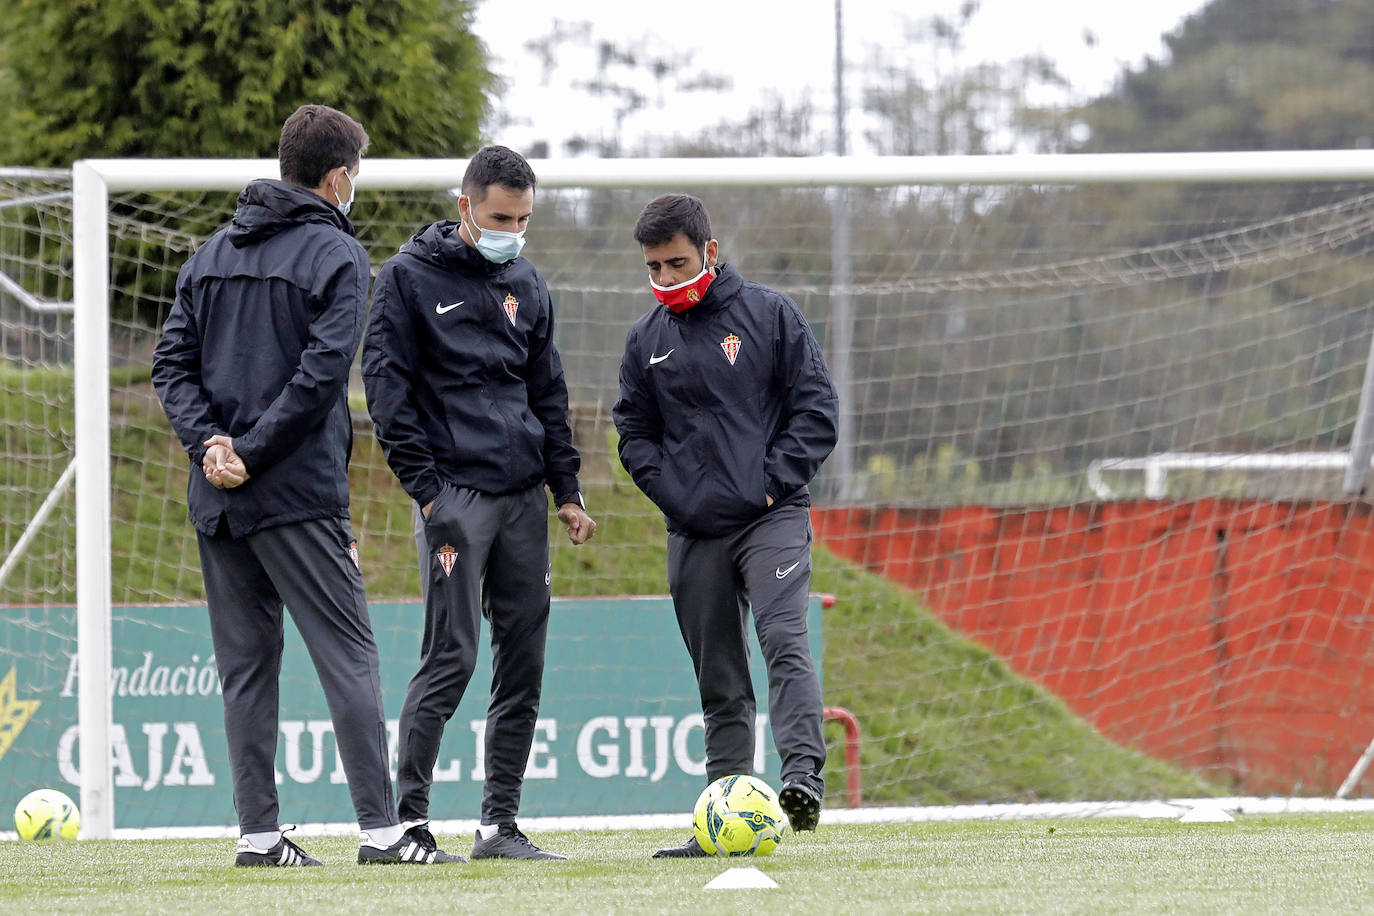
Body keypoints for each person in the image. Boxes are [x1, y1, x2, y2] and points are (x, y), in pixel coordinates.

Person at [152, 104, 461, 867]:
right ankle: (383, 834)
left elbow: (170, 366)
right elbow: (321, 376)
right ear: (335, 177)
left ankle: (260, 839)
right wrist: (248, 452)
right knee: (349, 656)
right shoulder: (337, 254)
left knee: (246, 670)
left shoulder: (210, 251)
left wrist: (209, 448)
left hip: (217, 498)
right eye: (354, 171)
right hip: (295, 496)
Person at [362, 144, 596, 861]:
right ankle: (408, 824)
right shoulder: (406, 279)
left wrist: (567, 490)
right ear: (466, 206)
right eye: (500, 217)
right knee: (452, 655)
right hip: (456, 497)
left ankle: (500, 826)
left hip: (525, 497)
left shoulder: (528, 281)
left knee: (523, 659)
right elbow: (386, 394)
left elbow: (547, 393)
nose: (512, 230)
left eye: (523, 219)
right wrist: (429, 495)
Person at [612, 193, 839, 857]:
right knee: (720, 677)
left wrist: (770, 485)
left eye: (677, 263)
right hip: (694, 532)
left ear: (710, 252)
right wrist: (676, 501)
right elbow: (633, 433)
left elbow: (816, 410)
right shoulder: (645, 341)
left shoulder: (769, 315)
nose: (665, 279)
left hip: (772, 517)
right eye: (654, 267)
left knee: (783, 637)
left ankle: (802, 778)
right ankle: (725, 817)